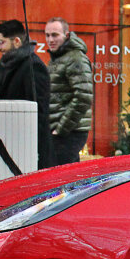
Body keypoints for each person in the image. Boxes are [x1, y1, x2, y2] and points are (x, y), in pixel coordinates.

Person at [0, 19, 52, 170]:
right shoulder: (6, 65)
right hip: (11, 142)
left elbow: (39, 111)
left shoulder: (33, 66)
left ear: (17, 41)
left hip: (27, 147)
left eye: (1, 42)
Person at [43, 17, 94, 166]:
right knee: (68, 178)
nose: (50, 39)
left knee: (58, 178)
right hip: (62, 131)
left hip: (69, 132)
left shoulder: (75, 58)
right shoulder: (58, 58)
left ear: (66, 35)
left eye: (55, 35)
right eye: (47, 35)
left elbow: (83, 97)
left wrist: (61, 129)